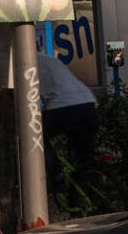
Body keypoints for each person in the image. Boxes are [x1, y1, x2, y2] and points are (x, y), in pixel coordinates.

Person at [36, 47, 98, 190]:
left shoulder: (27, 64)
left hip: (64, 108)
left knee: (35, 135)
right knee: (86, 159)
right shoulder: (51, 60)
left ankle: (56, 176)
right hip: (89, 104)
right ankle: (95, 191)